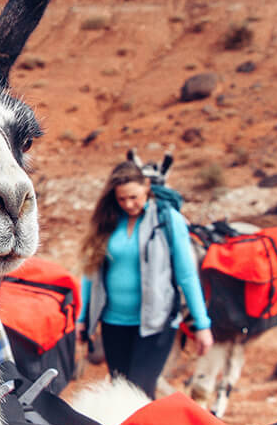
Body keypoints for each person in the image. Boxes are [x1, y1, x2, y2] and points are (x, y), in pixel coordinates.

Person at [76, 160, 214, 398]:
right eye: (122, 199)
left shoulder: (168, 220)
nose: (129, 204)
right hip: (113, 323)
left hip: (156, 324)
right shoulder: (107, 222)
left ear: (147, 186)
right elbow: (91, 274)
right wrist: (83, 318)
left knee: (139, 391)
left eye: (134, 197)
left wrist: (201, 324)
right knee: (120, 388)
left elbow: (187, 275)